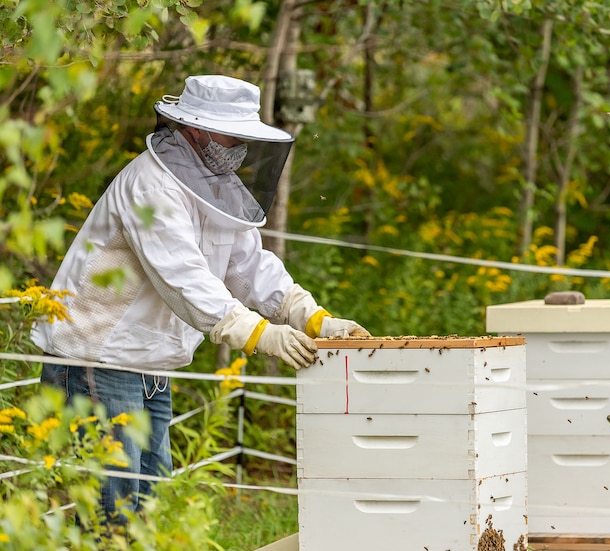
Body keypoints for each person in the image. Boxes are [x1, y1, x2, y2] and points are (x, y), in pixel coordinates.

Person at [31, 75, 370, 524]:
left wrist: (313, 319)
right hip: (100, 361)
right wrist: (261, 335)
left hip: (148, 367)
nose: (239, 147)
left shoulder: (218, 186)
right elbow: (184, 279)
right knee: (111, 515)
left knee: (152, 510)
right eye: (232, 135)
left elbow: (249, 267)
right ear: (196, 129)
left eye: (244, 137)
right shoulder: (151, 186)